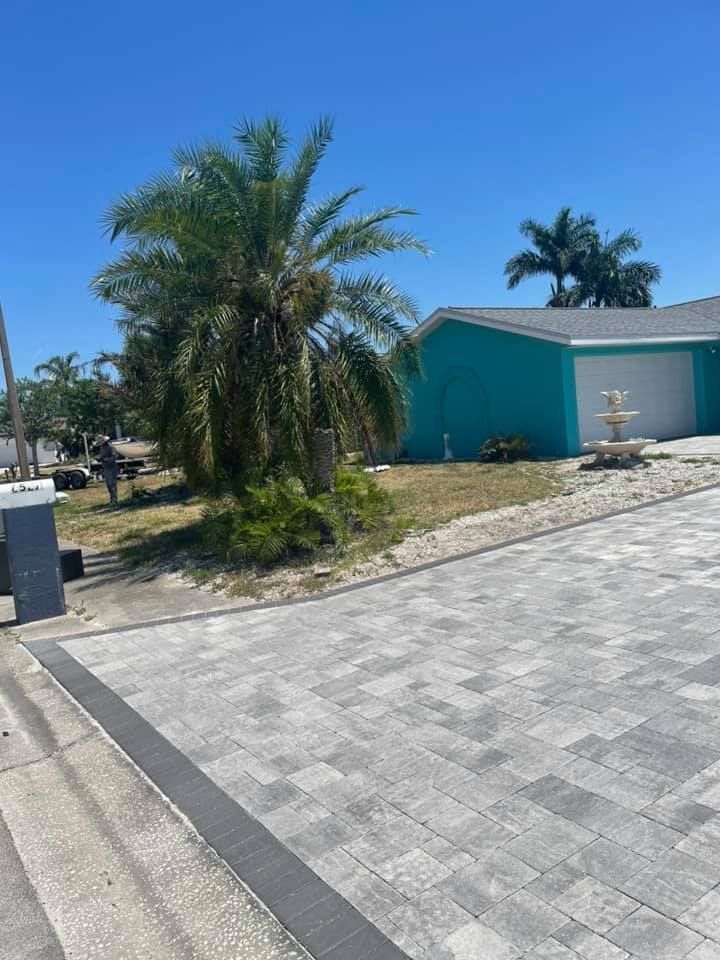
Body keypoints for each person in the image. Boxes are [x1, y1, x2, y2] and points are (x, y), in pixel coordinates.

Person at [95, 435, 120, 505]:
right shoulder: (101, 448)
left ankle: (114, 500)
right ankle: (112, 499)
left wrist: (106, 459)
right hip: (105, 468)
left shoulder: (110, 447)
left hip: (112, 467)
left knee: (112, 484)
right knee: (108, 485)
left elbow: (115, 456)